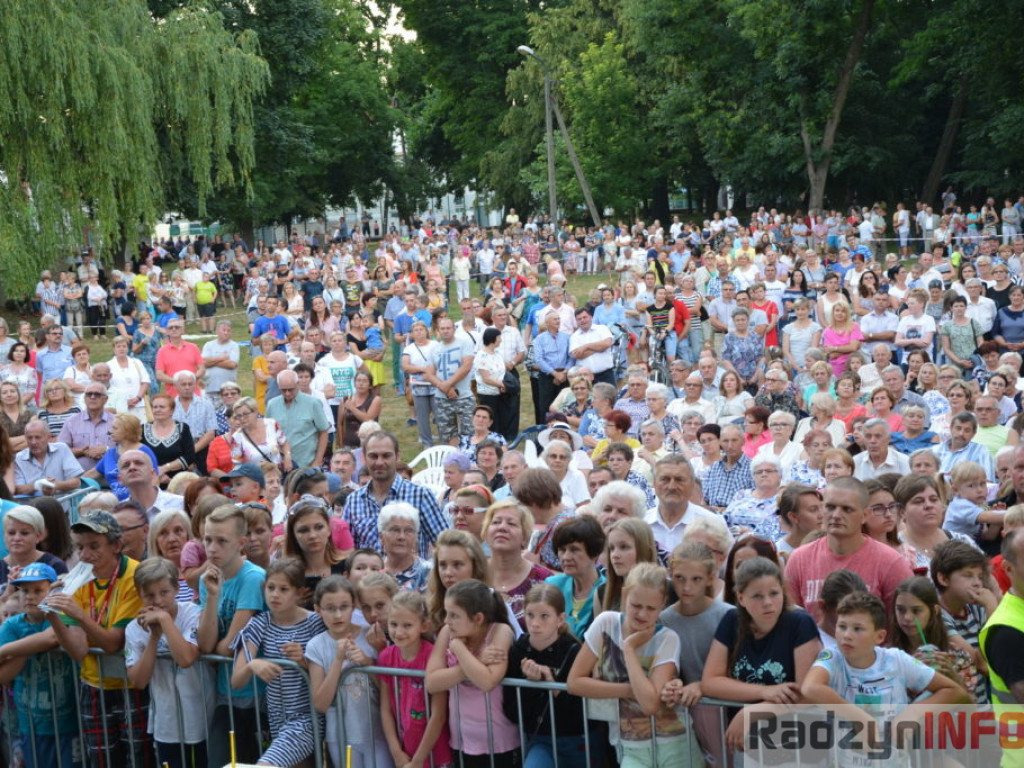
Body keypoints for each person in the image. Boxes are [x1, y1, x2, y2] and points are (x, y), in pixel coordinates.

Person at [44, 510, 150, 768]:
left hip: (131, 685)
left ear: (116, 545)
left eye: (94, 546)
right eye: (80, 547)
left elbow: (114, 643)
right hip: (93, 685)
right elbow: (79, 651)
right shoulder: (78, 578)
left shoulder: (136, 576)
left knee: (138, 759)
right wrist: (52, 614)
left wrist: (79, 614)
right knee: (100, 760)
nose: (85, 555)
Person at [569, 563, 700, 766]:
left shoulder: (667, 638)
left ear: (663, 604)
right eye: (636, 605)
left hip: (675, 744)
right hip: (629, 745)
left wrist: (628, 649)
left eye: (651, 608)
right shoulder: (605, 623)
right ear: (624, 596)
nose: (642, 614)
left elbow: (649, 704)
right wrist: (629, 690)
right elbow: (575, 682)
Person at [801, 591, 969, 731]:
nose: (847, 635)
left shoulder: (896, 660)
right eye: (842, 626)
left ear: (880, 636)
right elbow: (810, 687)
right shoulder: (832, 657)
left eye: (857, 628)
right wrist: (860, 719)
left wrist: (914, 713)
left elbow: (954, 691)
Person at [231, 558, 325, 768]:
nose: (275, 594)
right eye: (271, 588)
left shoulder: (315, 623)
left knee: (266, 765)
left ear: (299, 593)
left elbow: (328, 675)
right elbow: (236, 681)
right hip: (277, 720)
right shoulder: (260, 623)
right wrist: (252, 664)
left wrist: (303, 660)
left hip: (306, 719)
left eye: (284, 589)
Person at [785, 477, 914, 622]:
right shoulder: (799, 559)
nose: (836, 515)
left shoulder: (891, 563)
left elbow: (904, 625)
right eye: (830, 507)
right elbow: (792, 623)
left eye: (847, 509)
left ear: (864, 515)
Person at [196, 504, 267, 765]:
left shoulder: (253, 578)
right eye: (207, 539)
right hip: (226, 692)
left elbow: (228, 647)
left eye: (221, 541)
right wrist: (213, 597)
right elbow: (206, 645)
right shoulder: (209, 579)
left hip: (260, 693)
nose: (212, 548)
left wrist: (218, 647)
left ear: (241, 543)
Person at [124, 557, 208, 768]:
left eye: (164, 592)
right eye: (149, 595)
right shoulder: (134, 629)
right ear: (139, 595)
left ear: (177, 589)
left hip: (201, 719)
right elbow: (138, 681)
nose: (158, 601)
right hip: (166, 724)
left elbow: (186, 658)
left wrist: (165, 621)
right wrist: (154, 637)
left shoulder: (192, 613)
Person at [425, 579, 519, 768]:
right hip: (461, 740)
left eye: (454, 615)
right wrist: (475, 663)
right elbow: (432, 682)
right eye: (446, 613)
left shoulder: (501, 631)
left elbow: (487, 681)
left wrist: (459, 648)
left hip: (499, 741)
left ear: (478, 618)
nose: (446, 621)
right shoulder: (447, 632)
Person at [0, 562, 79, 768]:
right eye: (25, 591)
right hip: (31, 724)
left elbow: (52, 637)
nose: (30, 596)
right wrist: (28, 648)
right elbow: (4, 675)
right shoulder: (11, 625)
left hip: (68, 722)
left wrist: (8, 651)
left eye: (38, 590)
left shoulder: (61, 617)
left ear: (54, 590)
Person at [503, 583, 588, 768]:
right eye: (530, 615)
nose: (535, 623)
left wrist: (551, 684)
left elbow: (580, 711)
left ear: (560, 619)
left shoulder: (574, 651)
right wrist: (530, 686)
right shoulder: (518, 650)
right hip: (540, 739)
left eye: (544, 616)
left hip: (576, 739)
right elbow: (511, 711)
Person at [343, 431, 447, 558]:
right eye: (373, 456)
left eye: (386, 456)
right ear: (364, 458)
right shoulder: (354, 500)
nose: (380, 462)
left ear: (397, 456)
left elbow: (445, 545)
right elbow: (348, 552)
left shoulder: (420, 495)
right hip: (369, 576)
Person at [378, 591, 452, 768]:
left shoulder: (433, 657)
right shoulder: (386, 657)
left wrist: (418, 761)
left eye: (407, 625)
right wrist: (397, 753)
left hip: (435, 753)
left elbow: (438, 715)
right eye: (394, 624)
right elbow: (385, 710)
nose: (399, 631)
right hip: (405, 751)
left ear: (424, 626)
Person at [644, 455, 720, 552]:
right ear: (654, 484)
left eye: (679, 480)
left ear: (692, 484)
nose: (672, 487)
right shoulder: (641, 524)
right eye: (665, 479)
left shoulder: (713, 525)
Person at [424, 318, 475, 447]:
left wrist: (448, 384)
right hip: (442, 398)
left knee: (470, 432)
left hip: (464, 396)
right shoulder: (434, 349)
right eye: (442, 328)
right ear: (438, 331)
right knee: (447, 433)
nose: (445, 331)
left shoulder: (464, 343)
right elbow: (429, 373)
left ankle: (469, 458)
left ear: (454, 329)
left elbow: (466, 366)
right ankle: (452, 461)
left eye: (448, 328)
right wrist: (444, 388)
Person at [267, 370, 329, 470]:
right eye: (283, 390)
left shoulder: (313, 403)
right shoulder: (272, 404)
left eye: (290, 389)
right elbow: (268, 434)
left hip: (306, 464)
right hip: (279, 465)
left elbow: (323, 432)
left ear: (297, 384)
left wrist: (317, 461)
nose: (287, 393)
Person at [13, 419, 83, 497]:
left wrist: (55, 485)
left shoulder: (62, 449)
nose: (33, 442)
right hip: (33, 507)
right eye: (29, 438)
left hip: (61, 506)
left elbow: (76, 482)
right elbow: (18, 489)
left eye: (38, 437)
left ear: (48, 437)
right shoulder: (19, 458)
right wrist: (37, 485)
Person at [58, 382, 114, 472]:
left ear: (105, 399)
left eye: (97, 394)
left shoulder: (116, 422)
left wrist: (107, 450)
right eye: (89, 394)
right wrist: (83, 451)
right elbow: (60, 451)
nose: (92, 397)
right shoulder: (71, 422)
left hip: (111, 479)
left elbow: (128, 449)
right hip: (80, 479)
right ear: (84, 398)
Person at [378, 502, 430, 594]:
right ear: (381, 537)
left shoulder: (428, 573)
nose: (402, 537)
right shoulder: (374, 571)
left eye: (408, 531)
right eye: (395, 530)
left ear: (415, 537)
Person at [702, 424, 754, 511]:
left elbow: (755, 502)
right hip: (711, 516)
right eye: (725, 441)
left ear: (743, 441)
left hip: (738, 518)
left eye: (734, 440)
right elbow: (704, 498)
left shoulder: (752, 467)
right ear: (720, 443)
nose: (730, 445)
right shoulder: (714, 467)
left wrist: (723, 510)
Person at [933, 411, 994, 480]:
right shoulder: (935, 450)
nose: (961, 433)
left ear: (974, 434)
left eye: (967, 430)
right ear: (951, 428)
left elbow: (987, 482)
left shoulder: (980, 451)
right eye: (958, 428)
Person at [154, 319, 204, 399]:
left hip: (194, 395)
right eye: (171, 328)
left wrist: (191, 380)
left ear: (182, 330)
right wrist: (177, 381)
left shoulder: (193, 347)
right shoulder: (162, 351)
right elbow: (159, 375)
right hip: (173, 397)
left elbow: (201, 369)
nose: (174, 329)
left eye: (177, 327)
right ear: (167, 331)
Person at [201, 321, 240, 408]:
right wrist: (221, 358)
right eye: (224, 330)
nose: (226, 332)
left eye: (228, 330)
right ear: (217, 331)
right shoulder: (208, 345)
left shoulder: (234, 346)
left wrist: (211, 361)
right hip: (210, 387)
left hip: (228, 390)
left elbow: (232, 364)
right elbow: (203, 362)